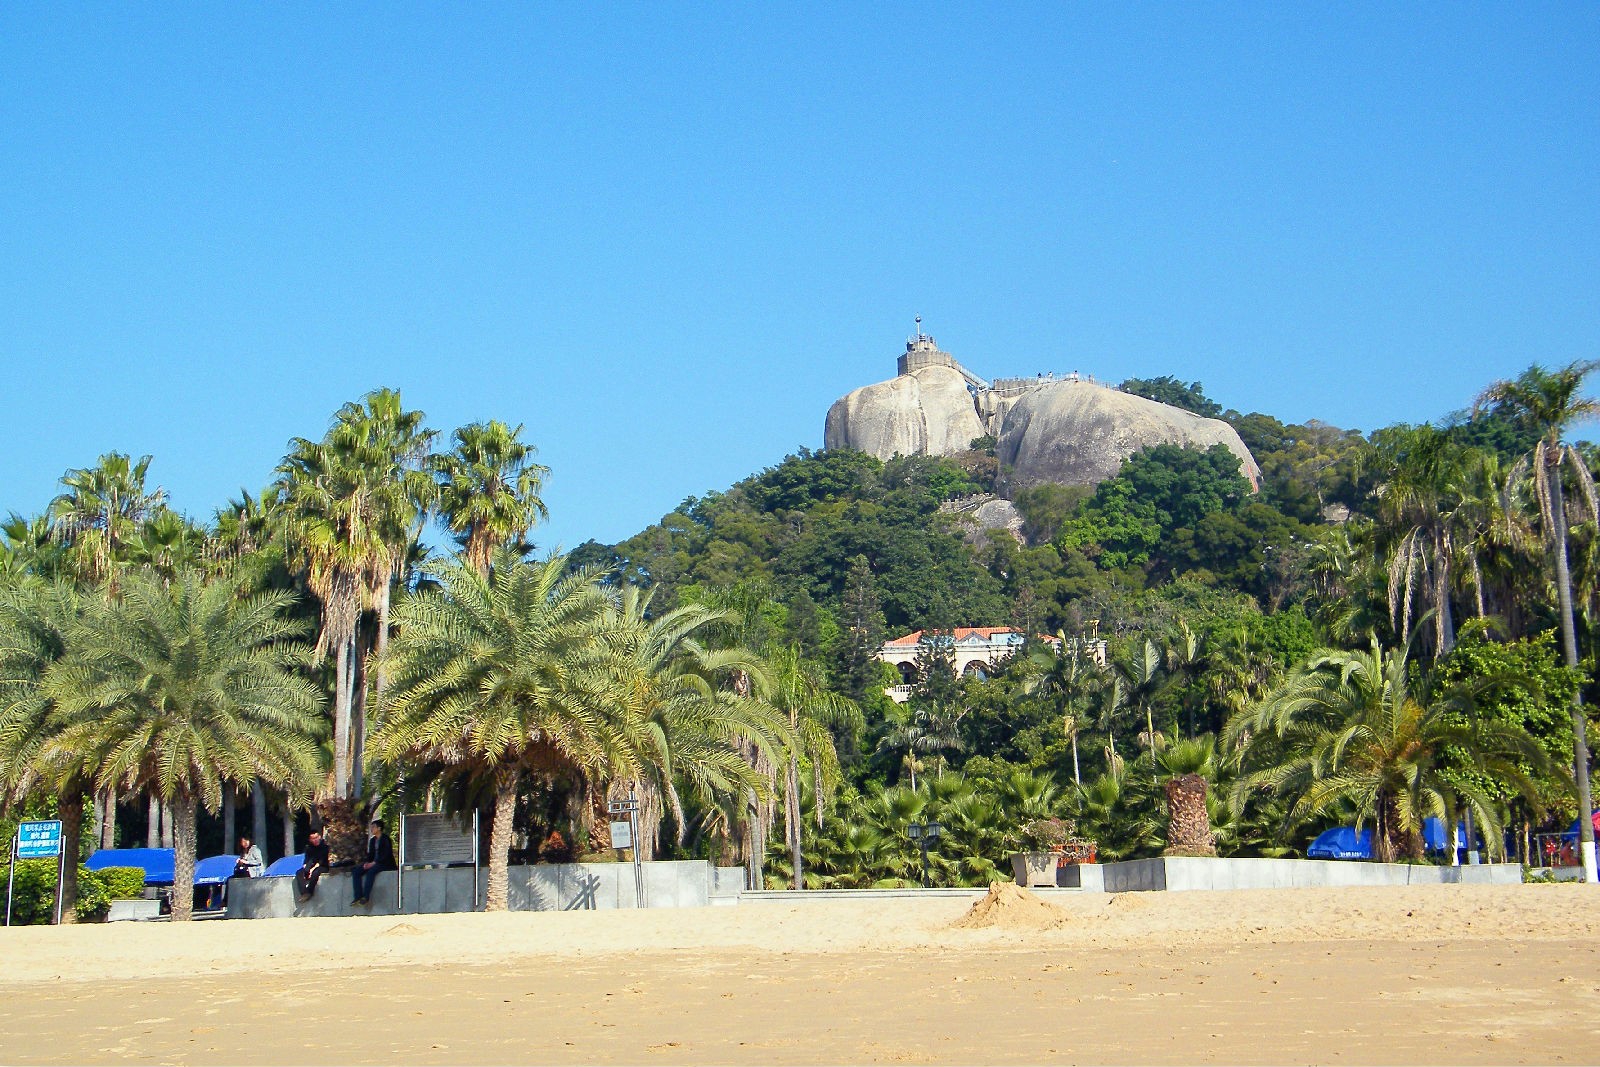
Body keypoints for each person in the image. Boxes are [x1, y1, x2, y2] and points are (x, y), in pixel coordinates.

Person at [350, 819, 396, 906]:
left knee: (371, 872)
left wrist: (374, 863)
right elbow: (370, 855)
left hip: (385, 864)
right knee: (356, 871)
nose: (371, 829)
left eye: (373, 827)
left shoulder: (386, 839)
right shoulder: (372, 841)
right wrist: (367, 863)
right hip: (374, 863)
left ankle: (366, 897)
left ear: (379, 828)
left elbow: (386, 854)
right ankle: (357, 897)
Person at [295, 829, 331, 901]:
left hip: (322, 866)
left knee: (315, 873)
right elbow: (307, 860)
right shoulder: (309, 848)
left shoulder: (324, 847)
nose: (315, 840)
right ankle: (304, 893)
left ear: (319, 837)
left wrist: (311, 870)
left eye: (316, 837)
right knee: (299, 872)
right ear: (310, 839)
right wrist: (305, 868)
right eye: (313, 839)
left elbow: (321, 861)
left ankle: (309, 892)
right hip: (312, 866)